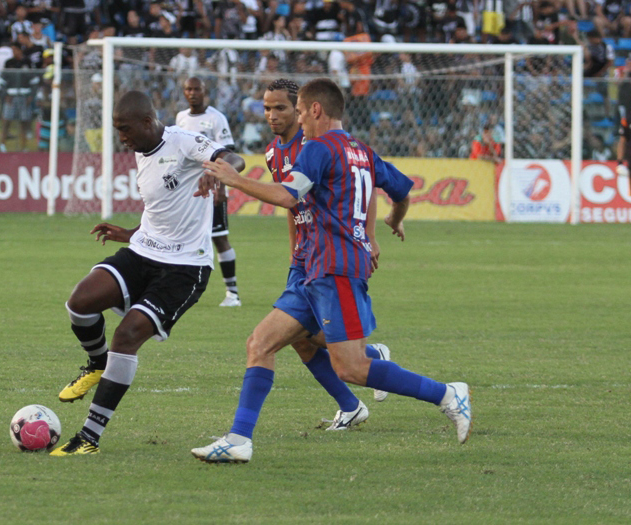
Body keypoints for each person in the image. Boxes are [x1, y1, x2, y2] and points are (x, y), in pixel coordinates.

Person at [191, 78, 472, 463]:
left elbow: (289, 196)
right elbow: (403, 191)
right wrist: (395, 217)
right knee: (261, 343)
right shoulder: (362, 150)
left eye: (300, 112)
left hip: (335, 264)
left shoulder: (319, 148)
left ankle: (447, 393)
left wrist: (236, 180)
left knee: (352, 367)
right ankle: (239, 439)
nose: (299, 121)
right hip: (314, 266)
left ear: (315, 111)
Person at [50, 91, 246, 456]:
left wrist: (217, 173)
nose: (121, 138)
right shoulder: (143, 153)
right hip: (144, 252)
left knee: (127, 336)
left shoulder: (183, 141)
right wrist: (127, 234)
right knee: (80, 303)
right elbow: (161, 213)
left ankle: (89, 437)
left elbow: (235, 158)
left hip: (185, 269)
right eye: (116, 130)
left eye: (124, 129)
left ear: (146, 122)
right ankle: (97, 363)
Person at [259, 78, 393, 430]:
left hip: (330, 251)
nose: (272, 116)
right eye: (266, 108)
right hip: (305, 255)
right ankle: (350, 404)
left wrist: (371, 235)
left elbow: (363, 187)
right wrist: (293, 257)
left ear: (301, 109)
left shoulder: (317, 143)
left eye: (281, 108)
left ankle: (369, 361)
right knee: (299, 341)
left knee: (291, 337)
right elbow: (291, 206)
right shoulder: (274, 152)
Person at [175, 77, 242, 307]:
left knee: (220, 238)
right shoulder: (181, 118)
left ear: (206, 92)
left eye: (197, 89)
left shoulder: (216, 118)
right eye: (188, 89)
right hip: (189, 190)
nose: (192, 93)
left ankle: (232, 293)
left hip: (212, 187)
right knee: (183, 237)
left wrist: (221, 187)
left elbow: (229, 153)